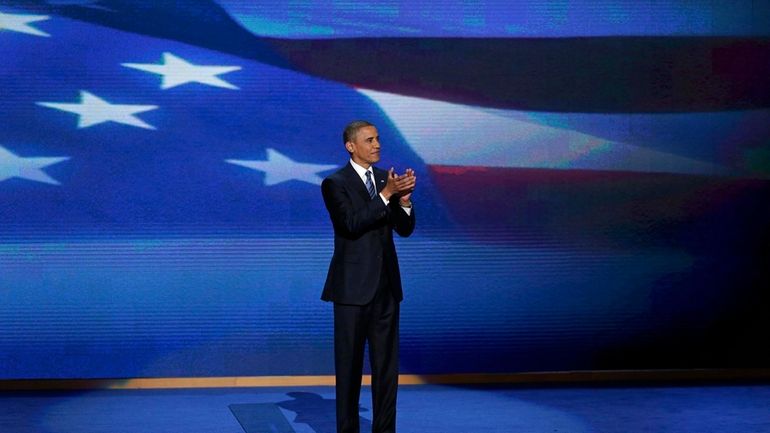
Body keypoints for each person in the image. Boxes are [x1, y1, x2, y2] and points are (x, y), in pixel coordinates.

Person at [321, 120, 416, 433]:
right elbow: (350, 224)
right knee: (349, 369)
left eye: (378, 139)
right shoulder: (335, 183)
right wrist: (387, 194)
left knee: (386, 369)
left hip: (386, 289)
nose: (377, 145)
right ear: (351, 146)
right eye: (370, 140)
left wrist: (403, 201)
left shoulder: (383, 179)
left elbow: (404, 229)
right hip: (351, 291)